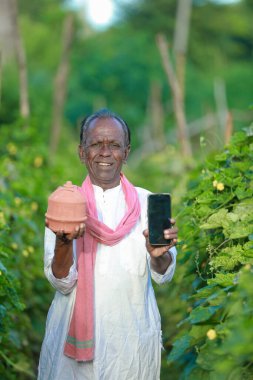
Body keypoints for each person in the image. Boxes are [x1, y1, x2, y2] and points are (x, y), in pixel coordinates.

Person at [38, 108, 178, 380]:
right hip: (73, 342)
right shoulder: (66, 203)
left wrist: (159, 255)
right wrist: (64, 242)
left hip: (131, 339)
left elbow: (164, 275)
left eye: (114, 145)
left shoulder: (147, 202)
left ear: (126, 152)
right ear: (82, 152)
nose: (105, 152)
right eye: (96, 144)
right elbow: (61, 281)